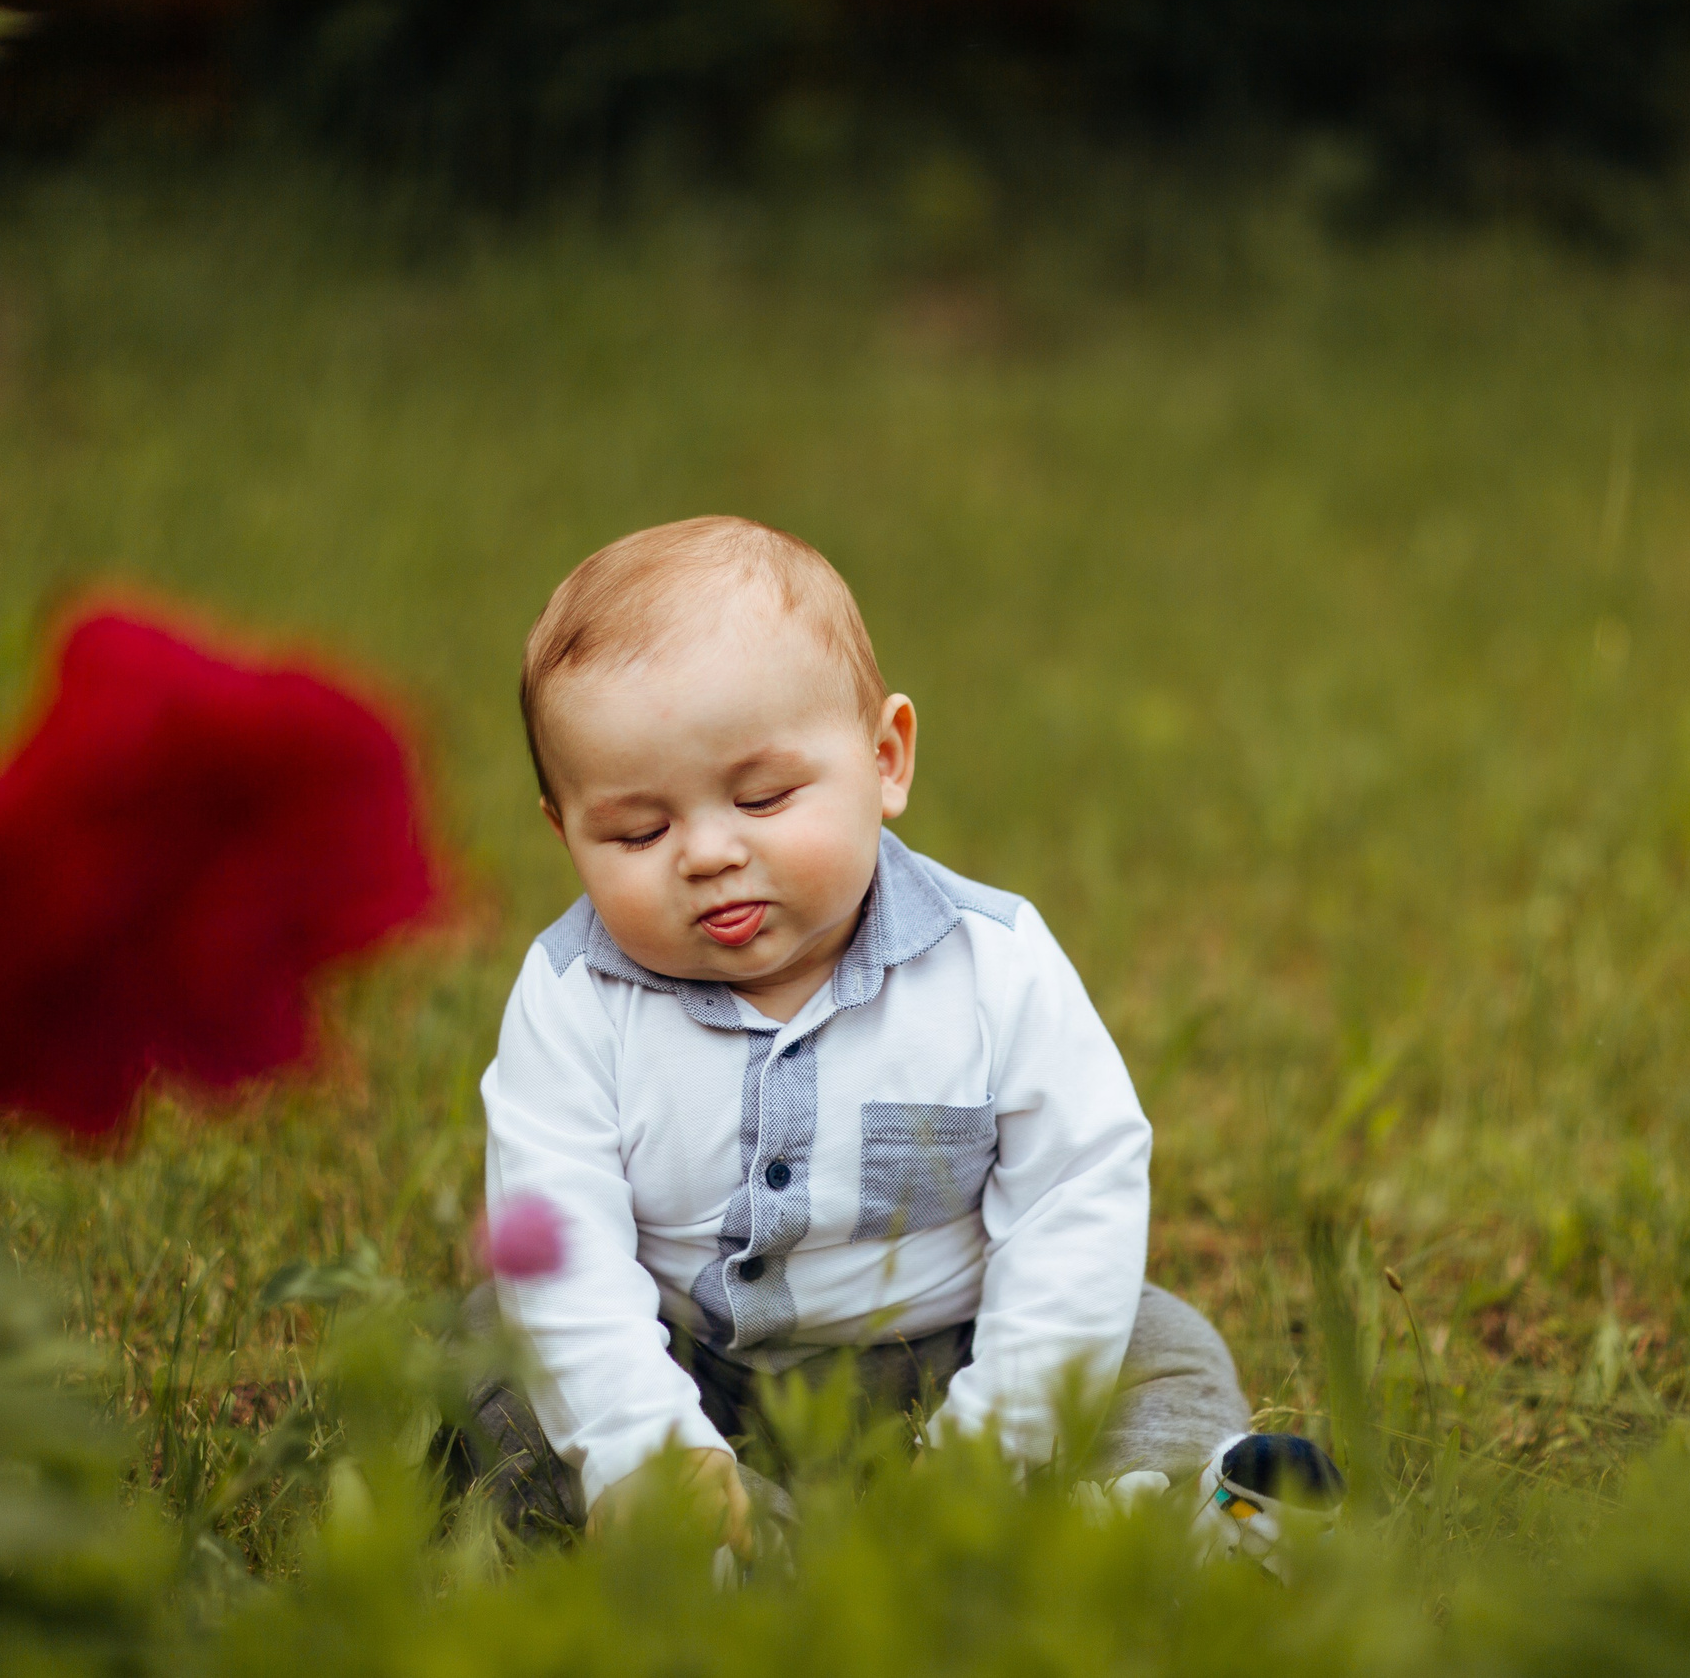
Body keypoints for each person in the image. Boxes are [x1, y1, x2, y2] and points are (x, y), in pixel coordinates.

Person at [457, 515, 1341, 1560]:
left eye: (764, 796)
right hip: (696, 1366)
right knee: (497, 1350)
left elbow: (1074, 1195)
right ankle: (732, 1545)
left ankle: (1164, 1512)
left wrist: (996, 1439)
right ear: (564, 829)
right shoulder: (574, 999)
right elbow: (564, 1247)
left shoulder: (989, 964)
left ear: (885, 759)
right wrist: (640, 1442)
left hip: (956, 1344)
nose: (706, 852)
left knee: (1154, 1343)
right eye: (637, 832)